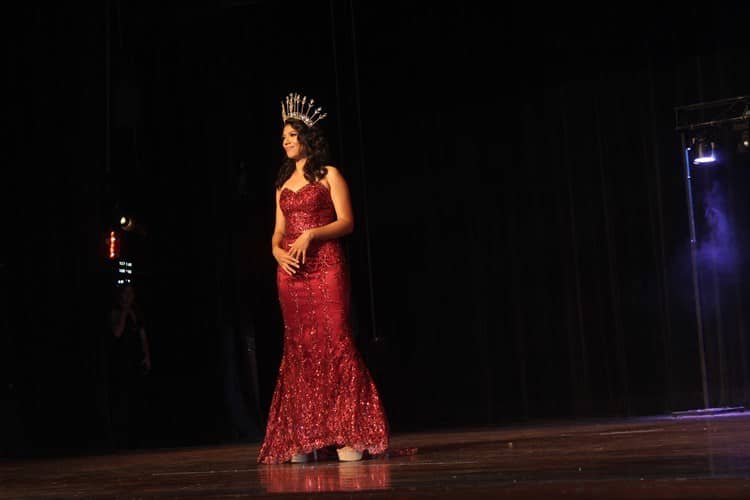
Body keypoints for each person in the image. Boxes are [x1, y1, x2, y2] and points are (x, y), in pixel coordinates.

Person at [257, 92, 389, 464]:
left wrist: (313, 234)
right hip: (291, 273)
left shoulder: (329, 175)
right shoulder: (282, 182)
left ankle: (349, 431)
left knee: (335, 342)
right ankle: (306, 433)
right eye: (282, 137)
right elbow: (277, 230)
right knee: (299, 349)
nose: (284, 142)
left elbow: (347, 222)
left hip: (326, 267)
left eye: (290, 136)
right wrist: (275, 251)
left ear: (306, 139)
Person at [108, 284, 151, 449]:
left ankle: (137, 437)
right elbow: (117, 333)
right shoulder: (116, 312)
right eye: (125, 293)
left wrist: (147, 356)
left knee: (137, 399)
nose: (128, 296)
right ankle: (122, 440)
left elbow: (142, 335)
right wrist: (124, 313)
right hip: (121, 362)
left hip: (135, 361)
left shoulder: (137, 313)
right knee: (122, 399)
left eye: (130, 293)